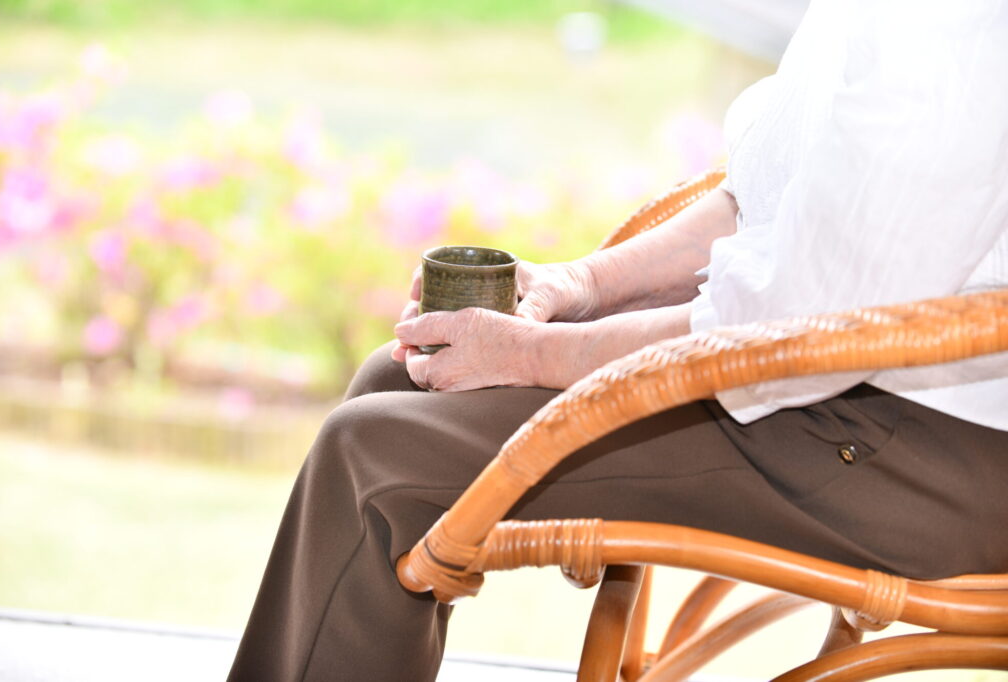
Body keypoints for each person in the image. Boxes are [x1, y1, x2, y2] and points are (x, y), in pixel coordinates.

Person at [228, 1, 1008, 680]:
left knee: (378, 461)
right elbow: (765, 202)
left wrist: (537, 355)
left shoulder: (949, 28)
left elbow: (801, 327)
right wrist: (578, 287)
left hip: (916, 444)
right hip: (834, 383)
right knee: (395, 382)